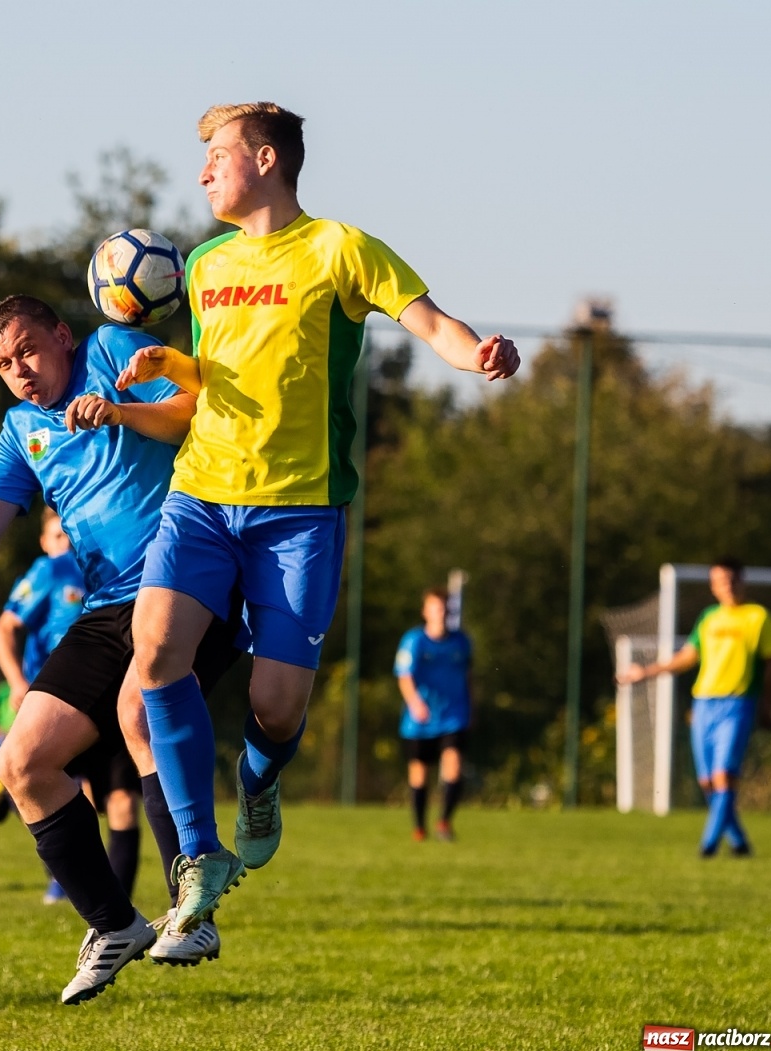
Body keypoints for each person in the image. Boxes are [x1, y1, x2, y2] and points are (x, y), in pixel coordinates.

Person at [117, 100, 522, 934]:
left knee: (277, 707)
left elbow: (432, 323)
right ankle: (197, 857)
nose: (202, 173)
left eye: (216, 156)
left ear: (266, 159)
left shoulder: (341, 247)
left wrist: (477, 352)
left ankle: (259, 783)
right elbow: (209, 383)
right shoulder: (201, 265)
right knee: (155, 651)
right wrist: (171, 365)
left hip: (300, 511)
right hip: (201, 495)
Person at [0, 295, 244, 1005]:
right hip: (105, 608)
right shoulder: (19, 428)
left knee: (138, 710)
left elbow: (195, 411)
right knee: (20, 762)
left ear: (63, 337)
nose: (21, 372)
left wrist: (119, 410)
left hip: (186, 577)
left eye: (28, 350)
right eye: (4, 364)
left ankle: (193, 905)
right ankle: (114, 924)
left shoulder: (109, 351)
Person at [0, 510, 141, 906]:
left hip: (121, 697)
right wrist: (15, 681)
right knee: (65, 791)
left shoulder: (125, 561)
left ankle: (120, 910)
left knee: (123, 804)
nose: (66, 541)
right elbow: (6, 627)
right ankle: (65, 878)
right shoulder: (52, 572)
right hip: (62, 702)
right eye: (58, 533)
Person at [618, 558, 771, 857]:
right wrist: (645, 672)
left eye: (732, 580)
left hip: (738, 702)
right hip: (704, 703)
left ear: (742, 581)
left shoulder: (759, 618)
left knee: (723, 775)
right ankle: (740, 843)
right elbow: (687, 657)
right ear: (713, 585)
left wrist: (767, 706)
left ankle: (708, 845)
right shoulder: (709, 619)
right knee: (707, 781)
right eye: (720, 581)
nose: (727, 586)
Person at [395, 588, 474, 842]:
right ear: (425, 611)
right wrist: (415, 703)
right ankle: (419, 827)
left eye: (444, 608)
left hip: (454, 716)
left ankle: (444, 823)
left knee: (454, 766)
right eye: (435, 607)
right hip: (420, 719)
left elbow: (468, 675)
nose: (440, 613)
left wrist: (472, 706)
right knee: (420, 774)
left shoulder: (461, 642)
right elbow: (404, 675)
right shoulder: (414, 641)